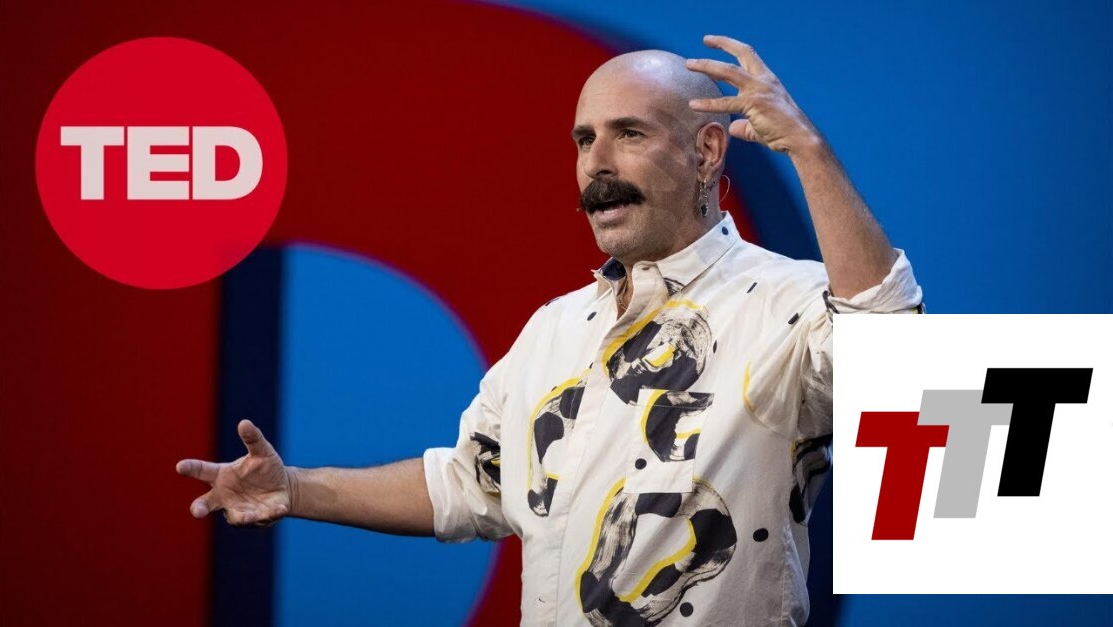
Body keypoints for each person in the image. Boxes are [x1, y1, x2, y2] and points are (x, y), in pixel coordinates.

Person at [177, 35, 922, 626]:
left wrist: (807, 149)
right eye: (583, 139)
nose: (596, 163)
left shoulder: (786, 300)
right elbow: (472, 482)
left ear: (705, 151)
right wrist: (295, 488)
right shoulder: (556, 328)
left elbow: (896, 365)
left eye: (629, 133)